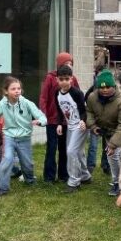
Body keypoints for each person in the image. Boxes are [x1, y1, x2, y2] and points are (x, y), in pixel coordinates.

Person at [0, 76, 46, 197]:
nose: (17, 91)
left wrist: (40, 121)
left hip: (24, 138)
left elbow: (41, 116)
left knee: (27, 164)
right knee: (7, 159)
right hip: (8, 137)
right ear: (6, 91)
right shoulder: (1, 105)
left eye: (19, 88)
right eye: (13, 89)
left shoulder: (27, 103)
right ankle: (3, 188)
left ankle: (30, 180)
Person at [86, 69, 121, 197]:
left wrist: (113, 144)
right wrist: (93, 125)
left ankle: (120, 182)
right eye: (101, 87)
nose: (105, 90)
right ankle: (118, 180)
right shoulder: (92, 97)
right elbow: (89, 111)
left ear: (113, 86)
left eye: (108, 87)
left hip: (120, 133)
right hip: (106, 132)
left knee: (118, 156)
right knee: (111, 157)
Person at [39, 52, 80, 183]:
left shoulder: (73, 79)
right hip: (52, 120)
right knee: (51, 147)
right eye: (66, 63)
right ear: (59, 64)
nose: (69, 66)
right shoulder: (50, 78)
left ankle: (64, 174)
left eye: (71, 64)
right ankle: (49, 177)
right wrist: (43, 115)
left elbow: (78, 97)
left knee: (64, 148)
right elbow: (44, 97)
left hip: (67, 120)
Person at [55, 64, 91, 193]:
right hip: (70, 126)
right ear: (57, 80)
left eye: (67, 79)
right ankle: (85, 176)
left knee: (71, 151)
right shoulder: (57, 93)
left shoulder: (77, 93)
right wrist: (60, 123)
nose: (64, 82)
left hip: (80, 126)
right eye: (61, 79)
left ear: (71, 79)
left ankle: (74, 182)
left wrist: (82, 121)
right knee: (78, 152)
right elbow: (59, 110)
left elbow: (84, 110)